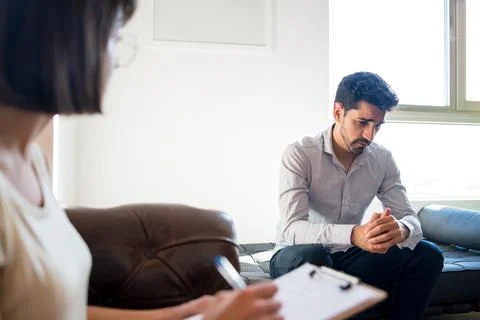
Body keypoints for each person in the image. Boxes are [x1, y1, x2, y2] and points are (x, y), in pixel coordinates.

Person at [0, 1, 283, 319]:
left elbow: (56, 309)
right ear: (68, 43)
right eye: (114, 37)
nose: (117, 59)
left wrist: (182, 314)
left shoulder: (31, 161)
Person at [269, 71, 444, 319]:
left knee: (428, 255)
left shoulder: (382, 159)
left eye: (378, 126)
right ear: (338, 112)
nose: (370, 136)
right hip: (295, 254)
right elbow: (292, 229)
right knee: (313, 256)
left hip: (350, 257)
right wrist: (353, 234)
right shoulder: (300, 153)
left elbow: (410, 218)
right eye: (362, 123)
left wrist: (400, 229)